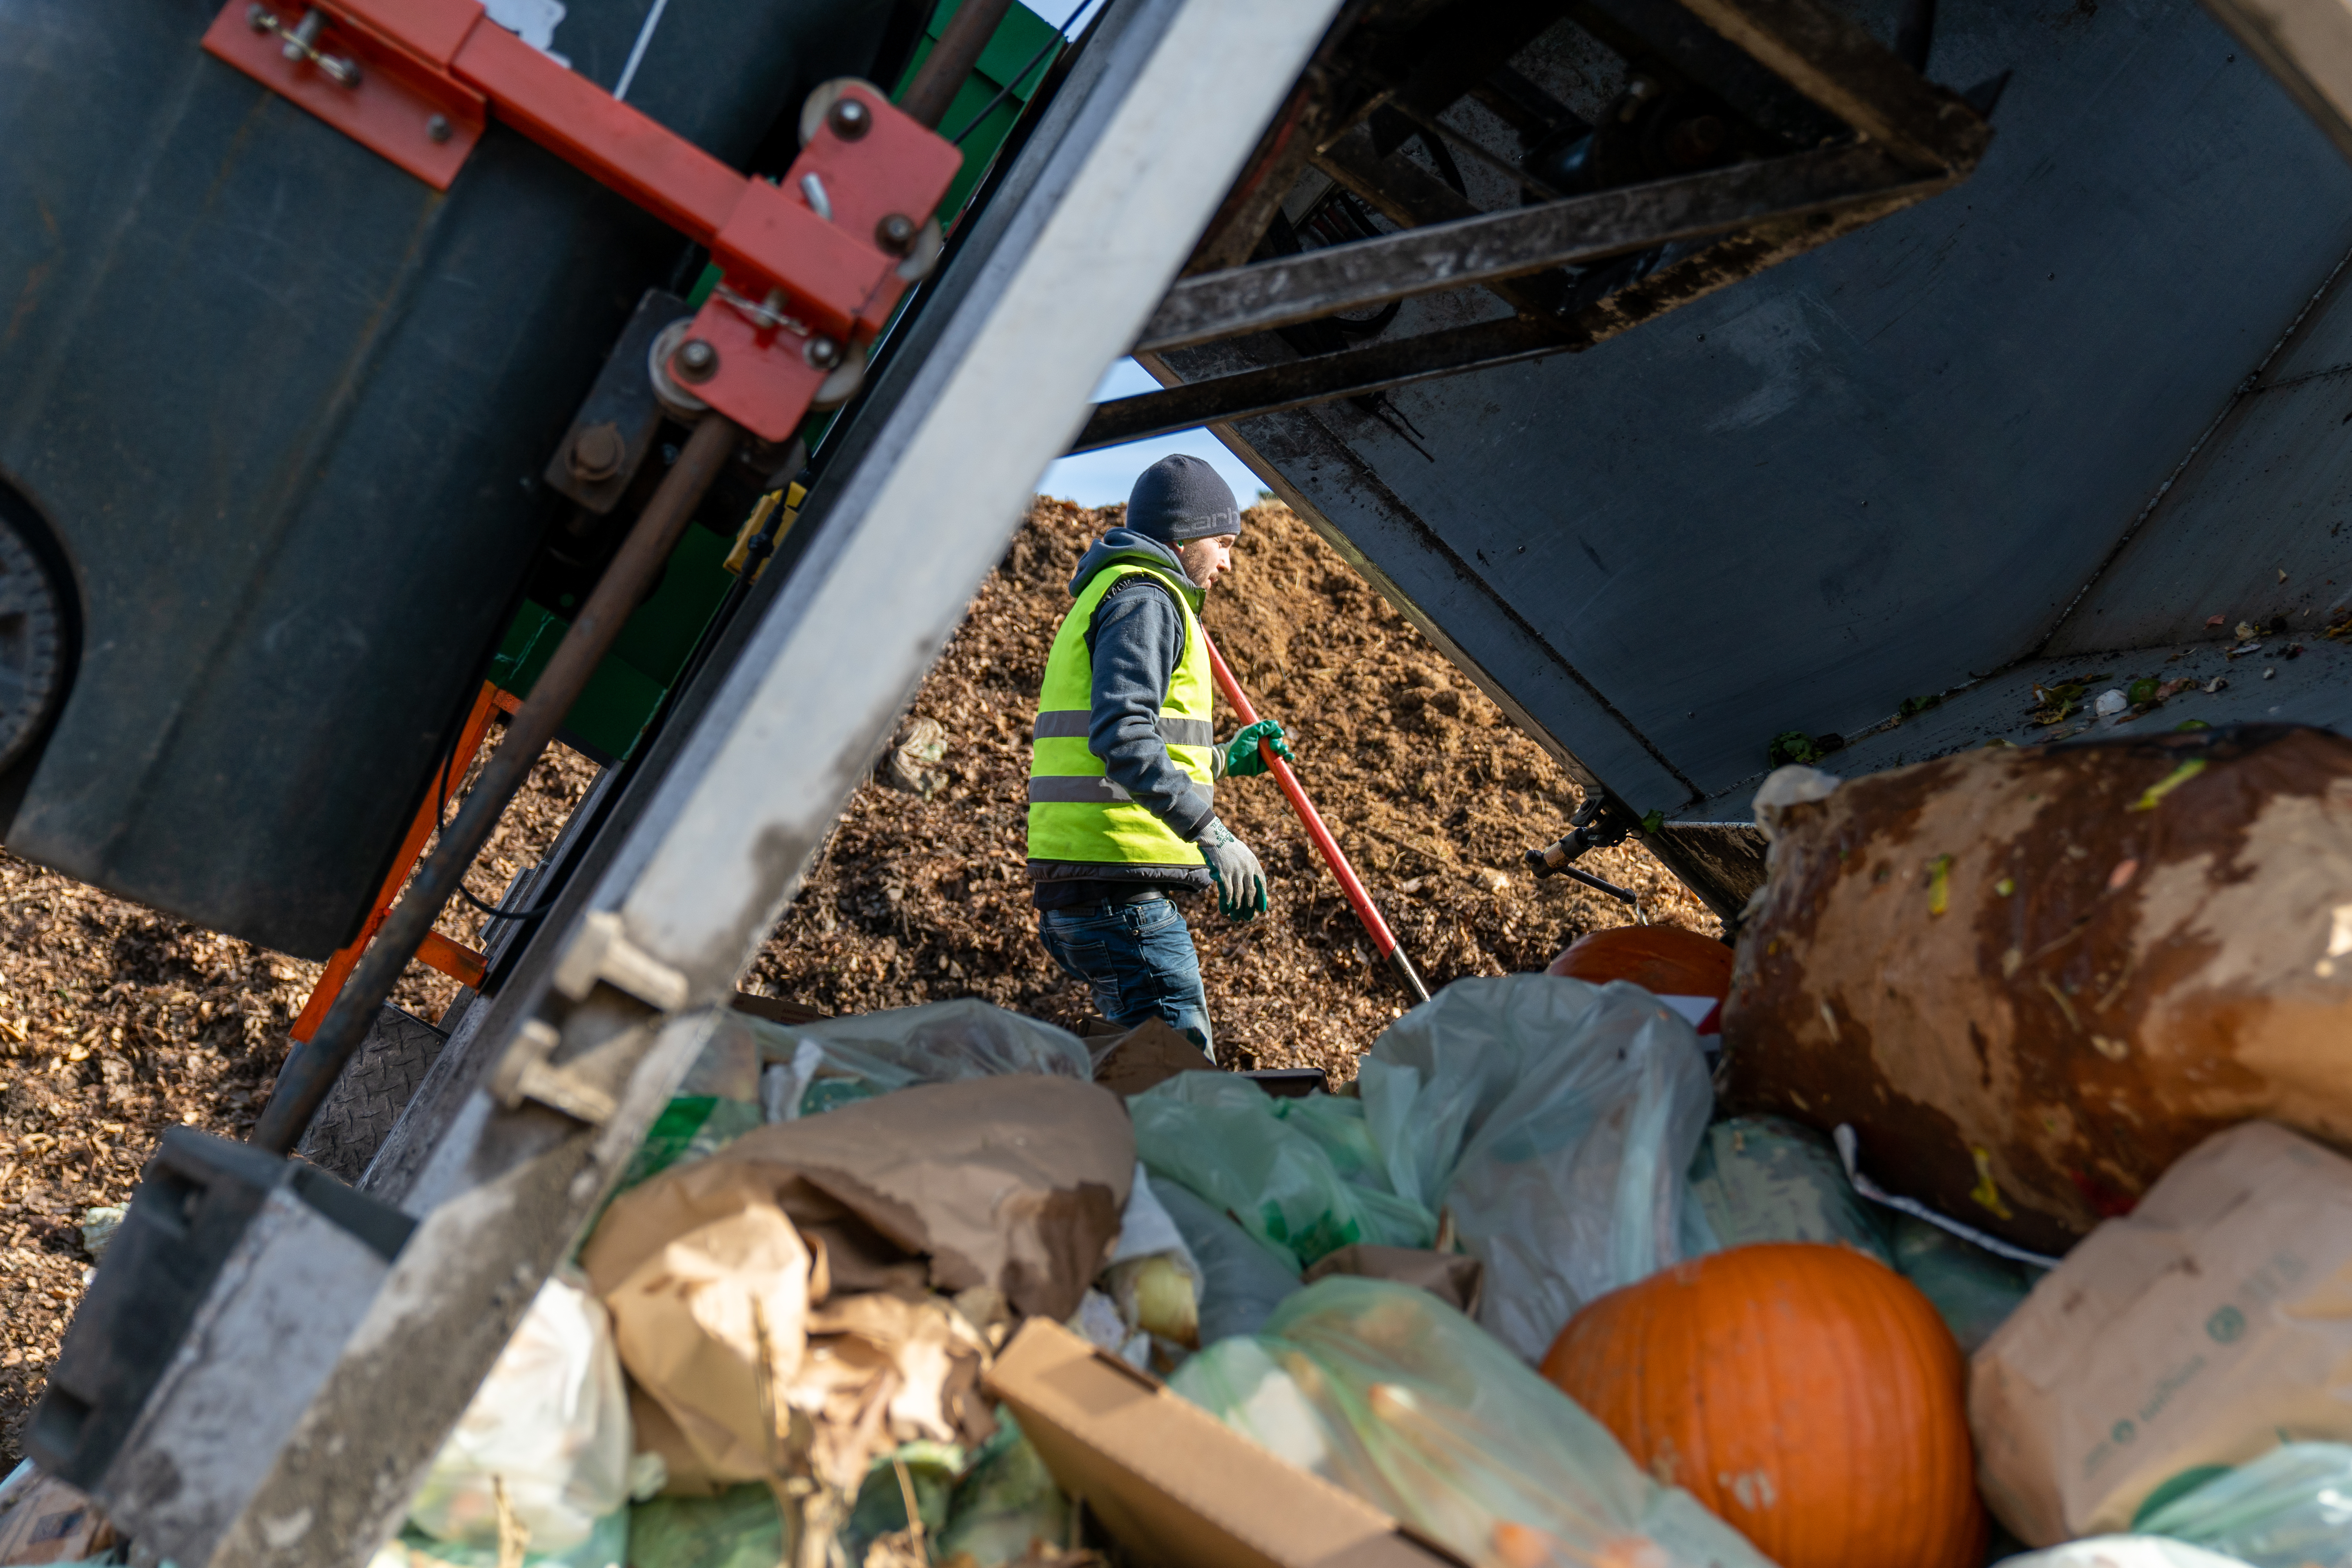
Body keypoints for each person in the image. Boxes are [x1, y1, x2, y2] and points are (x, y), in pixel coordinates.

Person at [1026, 454, 1292, 1061]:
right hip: (1120, 898)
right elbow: (1123, 737)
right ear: (1181, 535)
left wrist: (1223, 760)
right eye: (1222, 542)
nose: (1228, 560)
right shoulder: (1146, 599)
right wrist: (1214, 833)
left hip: (1094, 889)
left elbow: (1135, 742)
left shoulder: (1118, 593)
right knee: (1178, 1083)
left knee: (1136, 1079)